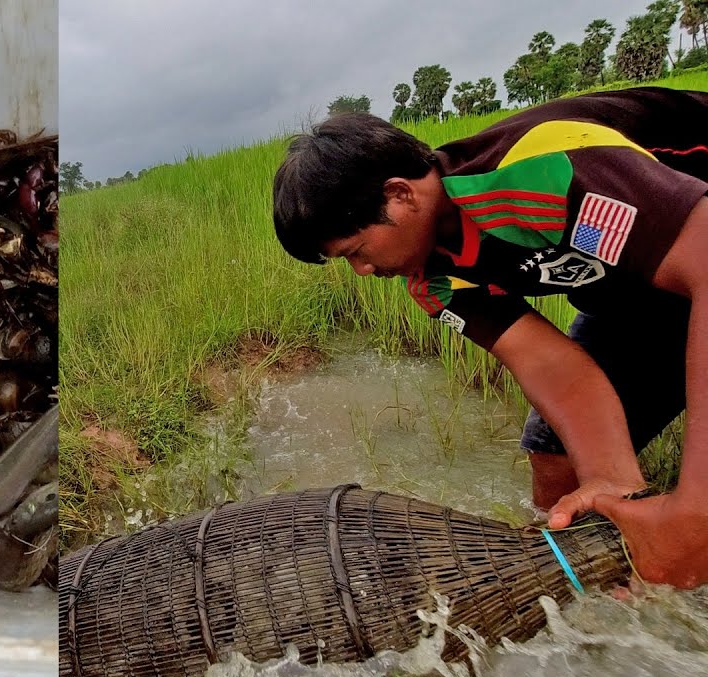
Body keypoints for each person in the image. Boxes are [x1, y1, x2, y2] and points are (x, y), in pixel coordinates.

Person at [271, 86, 708, 589]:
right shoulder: (433, 279)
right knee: (554, 453)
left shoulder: (536, 170)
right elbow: (550, 366)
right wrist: (610, 487)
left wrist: (693, 512)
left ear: (400, 194)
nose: (362, 270)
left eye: (356, 250)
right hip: (642, 291)